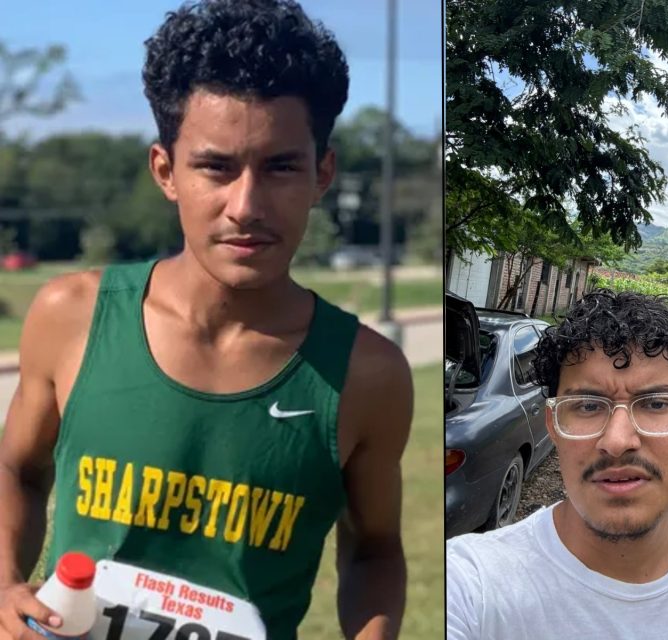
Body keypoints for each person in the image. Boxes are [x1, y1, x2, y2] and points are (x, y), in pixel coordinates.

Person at [0, 1, 413, 638]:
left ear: (322, 174)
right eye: (216, 167)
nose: (245, 206)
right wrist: (5, 584)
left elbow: (374, 549)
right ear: (166, 171)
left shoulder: (368, 373)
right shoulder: (72, 316)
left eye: (280, 167)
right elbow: (19, 471)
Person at [447, 290, 668, 640]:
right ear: (553, 424)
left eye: (655, 404)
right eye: (588, 406)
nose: (618, 441)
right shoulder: (468, 587)